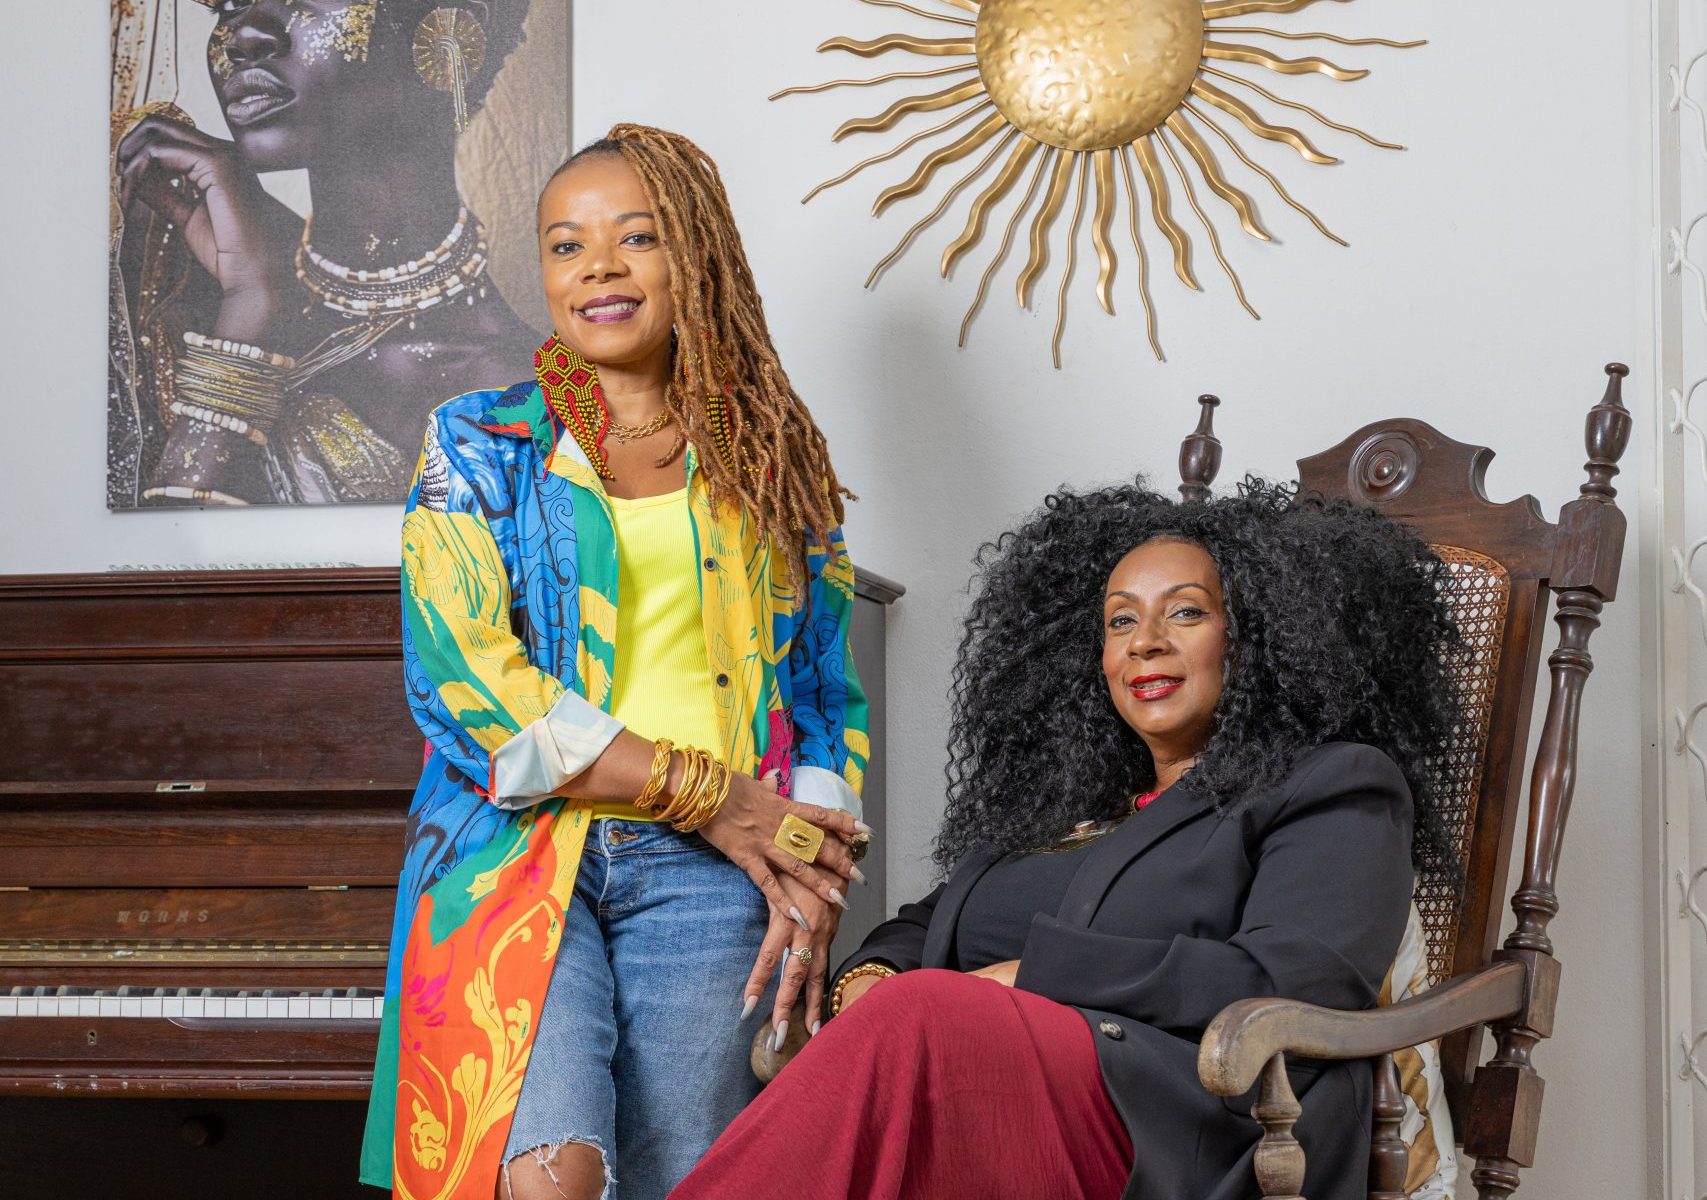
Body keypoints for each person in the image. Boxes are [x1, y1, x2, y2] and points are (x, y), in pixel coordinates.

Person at [673, 478, 1462, 1200]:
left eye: (1185, 612)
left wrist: (1032, 974)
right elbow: (926, 924)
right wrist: (870, 976)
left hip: (1186, 1122)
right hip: (996, 1092)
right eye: (1120, 621)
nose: (1144, 642)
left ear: (1254, 635)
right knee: (900, 1040)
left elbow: (1299, 976)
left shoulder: (1331, 781)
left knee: (916, 1028)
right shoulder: (1067, 809)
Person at [357, 125, 871, 1200]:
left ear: (696, 256)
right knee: (555, 1173)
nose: (598, 267)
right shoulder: (477, 444)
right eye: (566, 245)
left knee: (685, 1180)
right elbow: (465, 680)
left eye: (637, 237)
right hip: (514, 851)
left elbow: (823, 686)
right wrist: (710, 794)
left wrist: (810, 868)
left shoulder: (772, 458)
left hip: (714, 879)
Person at [112, 0, 543, 504]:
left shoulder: (516, 398)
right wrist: (249, 296)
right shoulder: (163, 264)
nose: (245, 36)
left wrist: (251, 305)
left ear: (452, 27)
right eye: (229, 4)